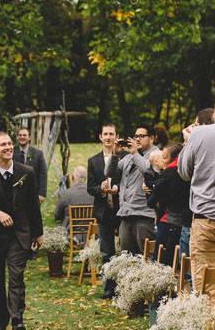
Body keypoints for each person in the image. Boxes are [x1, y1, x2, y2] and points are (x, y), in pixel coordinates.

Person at [0, 131, 43, 330]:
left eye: (10, 144)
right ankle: (0, 322)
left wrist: (38, 233)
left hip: (19, 235)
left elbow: (33, 206)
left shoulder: (26, 172)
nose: (8, 147)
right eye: (3, 145)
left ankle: (17, 319)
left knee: (16, 278)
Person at [178, 93, 215, 301]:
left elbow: (184, 173)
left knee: (207, 289)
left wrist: (189, 142)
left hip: (207, 220)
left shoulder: (201, 134)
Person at [87, 123, 122, 299]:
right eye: (105, 134)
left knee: (124, 250)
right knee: (106, 252)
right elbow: (89, 187)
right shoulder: (93, 161)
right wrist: (100, 189)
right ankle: (109, 289)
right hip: (103, 211)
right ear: (100, 137)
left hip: (121, 209)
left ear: (116, 136)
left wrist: (117, 188)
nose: (108, 137)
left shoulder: (122, 157)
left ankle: (123, 289)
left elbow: (127, 182)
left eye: (111, 134)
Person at [112, 125, 159, 255]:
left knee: (145, 257)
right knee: (125, 258)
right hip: (125, 213)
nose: (137, 139)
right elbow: (109, 172)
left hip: (144, 216)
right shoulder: (129, 156)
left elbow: (149, 170)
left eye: (141, 136)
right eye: (136, 136)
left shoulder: (157, 154)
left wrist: (134, 153)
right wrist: (115, 154)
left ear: (152, 138)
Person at [147, 143, 187, 266]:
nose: (162, 161)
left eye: (164, 157)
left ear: (173, 158)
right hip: (184, 223)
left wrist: (151, 191)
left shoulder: (169, 173)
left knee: (161, 261)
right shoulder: (188, 171)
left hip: (167, 221)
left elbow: (151, 202)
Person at [53, 166, 94, 232]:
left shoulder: (65, 194)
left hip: (70, 234)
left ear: (72, 177)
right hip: (91, 234)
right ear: (86, 179)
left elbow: (57, 215)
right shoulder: (94, 194)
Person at [13, 127, 47, 204]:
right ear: (17, 137)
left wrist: (42, 194)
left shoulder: (38, 154)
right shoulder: (11, 152)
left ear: (29, 137)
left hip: (33, 192)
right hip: (15, 193)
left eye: (24, 135)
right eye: (20, 135)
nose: (22, 137)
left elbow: (43, 174)